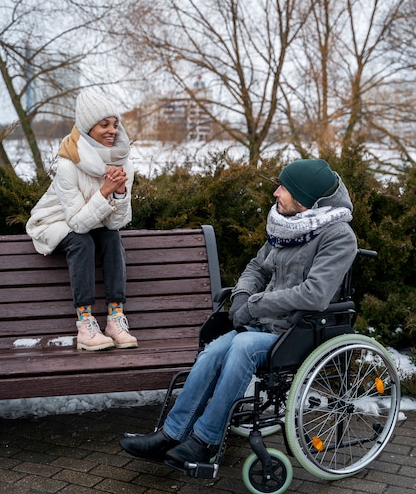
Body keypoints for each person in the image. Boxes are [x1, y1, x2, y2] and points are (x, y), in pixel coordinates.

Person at [120, 158, 357, 465]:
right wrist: (243, 295)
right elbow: (258, 266)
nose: (276, 193)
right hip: (265, 326)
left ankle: (205, 441)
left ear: (305, 198)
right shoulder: (290, 226)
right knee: (214, 350)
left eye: (283, 188)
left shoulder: (337, 237)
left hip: (301, 330)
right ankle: (171, 434)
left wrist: (256, 305)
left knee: (241, 347)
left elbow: (315, 294)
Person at [26, 89, 138, 351]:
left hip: (91, 221)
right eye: (103, 125)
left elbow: (116, 223)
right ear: (88, 128)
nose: (112, 130)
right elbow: (76, 224)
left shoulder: (124, 165)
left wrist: (120, 194)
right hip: (53, 222)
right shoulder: (69, 163)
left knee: (111, 237)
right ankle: (85, 324)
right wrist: (105, 192)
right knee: (81, 241)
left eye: (114, 124)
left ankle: (114, 318)